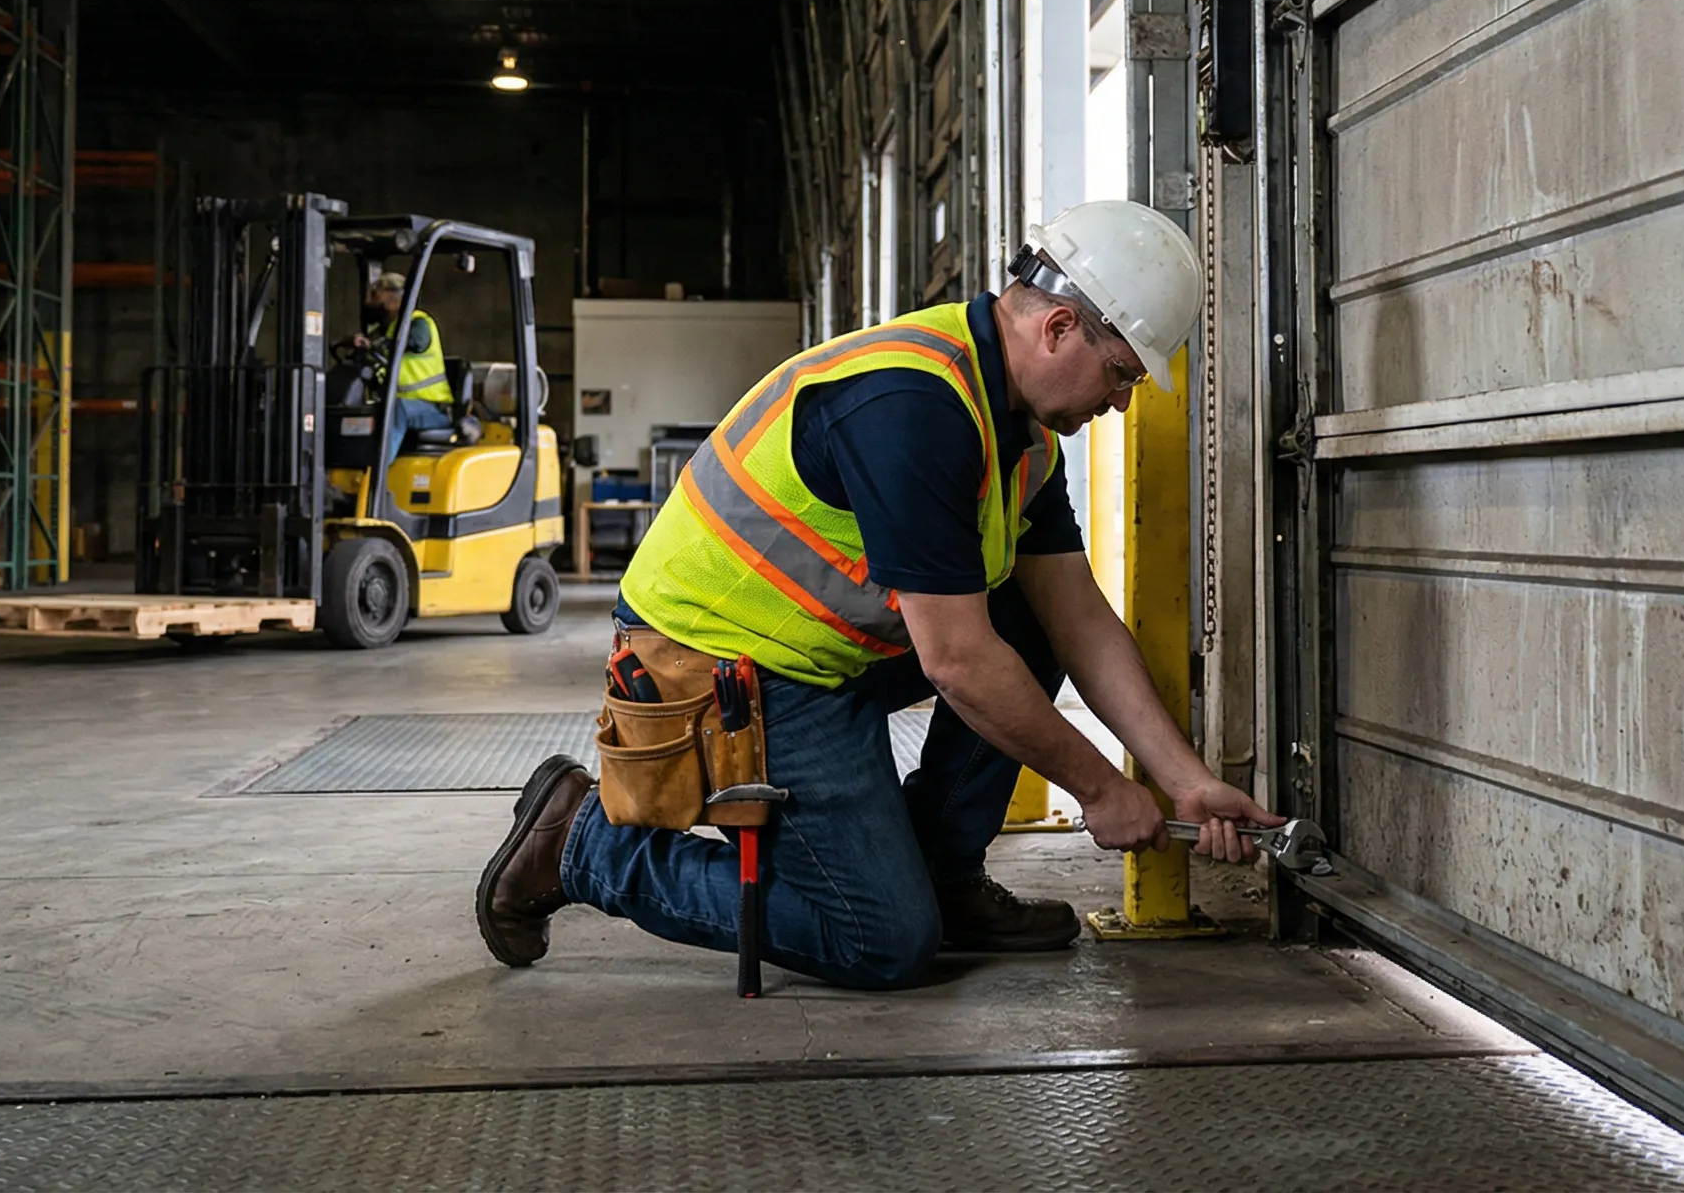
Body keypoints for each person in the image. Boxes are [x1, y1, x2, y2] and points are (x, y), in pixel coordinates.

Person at [475, 200, 1283, 988]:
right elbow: (959, 661)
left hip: (822, 652)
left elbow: (1077, 617)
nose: (1120, 402)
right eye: (1120, 374)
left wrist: (1183, 780)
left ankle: (943, 876)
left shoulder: (1021, 432)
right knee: (879, 941)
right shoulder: (916, 408)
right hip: (729, 663)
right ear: (1059, 328)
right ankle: (581, 844)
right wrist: (1101, 790)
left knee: (1031, 619)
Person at [351, 270, 453, 461]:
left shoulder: (419, 323)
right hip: (404, 405)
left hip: (434, 409)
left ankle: (377, 477)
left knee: (399, 408)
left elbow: (415, 342)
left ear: (393, 298)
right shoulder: (390, 329)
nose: (371, 304)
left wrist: (378, 345)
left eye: (375, 297)